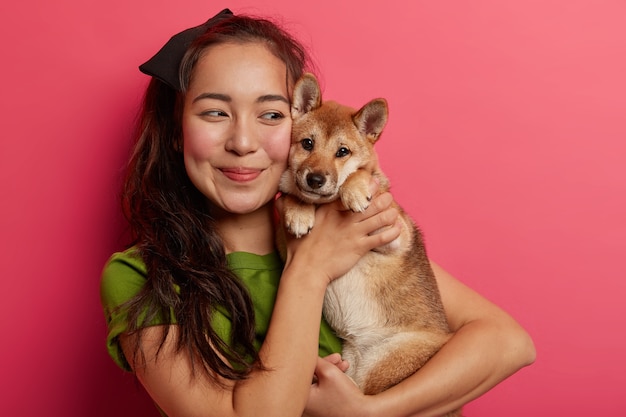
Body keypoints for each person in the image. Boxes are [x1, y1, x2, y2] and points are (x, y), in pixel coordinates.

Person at [100, 8, 535, 417]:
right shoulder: (140, 277)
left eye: (270, 114)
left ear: (297, 118)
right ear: (176, 132)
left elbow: (509, 342)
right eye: (215, 112)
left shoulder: (346, 230)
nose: (243, 142)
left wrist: (370, 411)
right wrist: (309, 269)